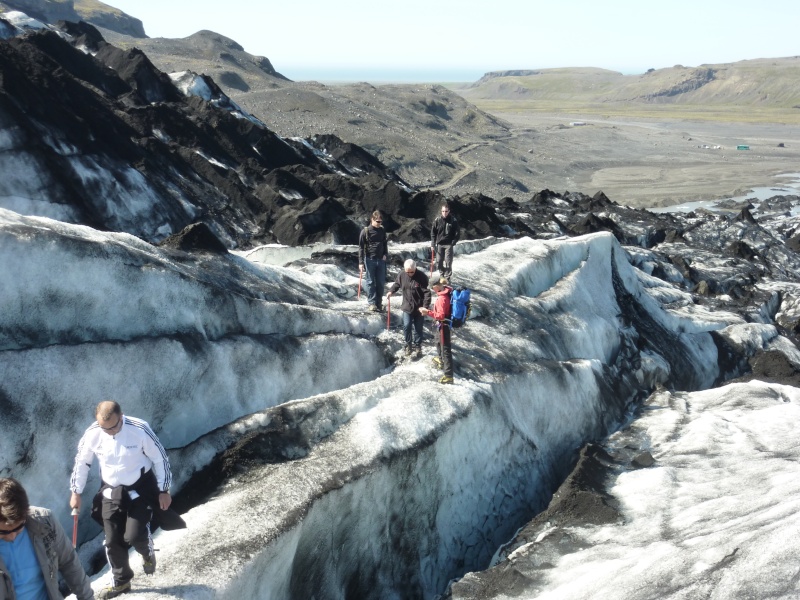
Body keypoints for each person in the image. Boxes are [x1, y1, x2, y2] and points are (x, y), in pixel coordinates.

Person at [70, 401, 184, 600]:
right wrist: (76, 491)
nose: (109, 431)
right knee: (112, 540)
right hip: (111, 491)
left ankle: (146, 550)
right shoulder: (93, 433)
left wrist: (164, 489)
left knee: (133, 536)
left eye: (113, 426)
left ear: (121, 416)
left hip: (140, 489)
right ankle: (121, 582)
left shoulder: (139, 429)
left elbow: (160, 458)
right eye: (104, 428)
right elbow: (82, 462)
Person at [0, 478, 94, 600]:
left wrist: (87, 597)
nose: (11, 536)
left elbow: (69, 562)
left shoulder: (44, 522)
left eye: (18, 528)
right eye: (3, 532)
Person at [387, 259, 431, 359]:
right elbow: (397, 284)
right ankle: (408, 344)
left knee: (418, 328)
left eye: (412, 272)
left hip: (419, 308)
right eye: (407, 272)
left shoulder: (422, 277)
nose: (409, 274)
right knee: (406, 326)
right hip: (407, 306)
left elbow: (427, 293)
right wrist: (391, 291)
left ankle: (418, 346)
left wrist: (425, 307)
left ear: (415, 269)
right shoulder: (402, 274)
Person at [420, 278, 454, 384]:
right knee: (438, 342)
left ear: (437, 286)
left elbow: (440, 315)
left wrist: (427, 312)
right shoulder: (446, 293)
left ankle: (448, 376)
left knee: (446, 349)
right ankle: (440, 360)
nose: (432, 289)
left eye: (432, 287)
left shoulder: (442, 298)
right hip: (443, 325)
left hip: (444, 325)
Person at [358, 211, 388, 312]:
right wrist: (361, 262)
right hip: (369, 259)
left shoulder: (382, 230)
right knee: (370, 282)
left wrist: (385, 254)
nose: (379, 223)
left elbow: (385, 243)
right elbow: (361, 248)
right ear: (372, 220)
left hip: (381, 260)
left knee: (380, 282)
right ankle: (372, 303)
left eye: (380, 221)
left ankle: (379, 303)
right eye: (377, 221)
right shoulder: (365, 231)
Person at [430, 202, 460, 280]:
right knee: (439, 261)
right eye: (443, 211)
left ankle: (447, 278)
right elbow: (433, 233)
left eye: (446, 211)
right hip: (439, 244)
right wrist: (432, 244)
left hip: (449, 244)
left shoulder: (453, 220)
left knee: (448, 262)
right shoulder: (437, 220)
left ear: (449, 211)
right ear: (441, 211)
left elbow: (457, 233)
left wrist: (453, 242)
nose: (444, 213)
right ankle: (441, 275)